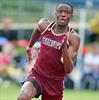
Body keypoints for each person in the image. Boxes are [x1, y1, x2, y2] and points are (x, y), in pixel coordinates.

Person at [17, 2, 80, 100]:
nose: (63, 14)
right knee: (22, 97)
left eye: (67, 12)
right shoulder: (45, 26)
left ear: (71, 16)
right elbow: (38, 29)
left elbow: (68, 69)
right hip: (37, 74)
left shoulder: (73, 38)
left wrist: (64, 50)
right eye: (60, 11)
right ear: (56, 13)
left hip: (55, 82)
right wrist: (29, 47)